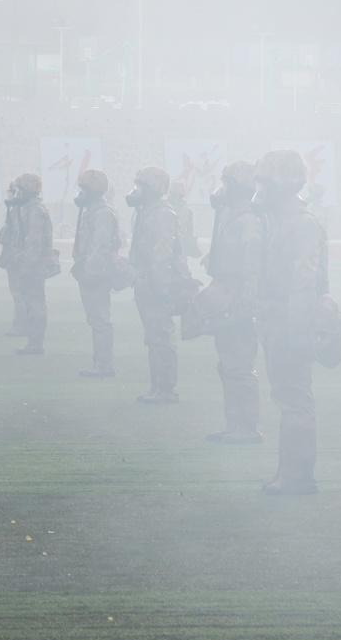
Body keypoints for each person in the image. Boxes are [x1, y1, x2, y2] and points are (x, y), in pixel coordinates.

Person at [256, 149, 329, 495]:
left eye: (264, 181)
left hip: (289, 323)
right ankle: (290, 472)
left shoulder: (302, 224)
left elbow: (304, 282)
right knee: (287, 397)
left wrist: (296, 333)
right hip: (278, 321)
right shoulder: (284, 222)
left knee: (295, 399)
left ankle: (296, 476)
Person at [202, 161, 264, 444]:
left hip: (239, 301)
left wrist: (245, 307)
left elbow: (252, 267)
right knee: (228, 365)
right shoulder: (232, 216)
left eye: (227, 183)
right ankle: (235, 425)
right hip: (227, 297)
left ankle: (246, 428)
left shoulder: (248, 220)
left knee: (239, 367)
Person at [129, 165, 195, 403]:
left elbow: (161, 255)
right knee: (154, 338)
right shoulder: (148, 211)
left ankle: (165, 389)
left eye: (141, 185)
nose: (136, 190)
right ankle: (158, 386)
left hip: (157, 285)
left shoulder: (162, 214)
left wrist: (160, 288)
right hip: (147, 283)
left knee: (161, 338)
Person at [71, 168, 125, 378]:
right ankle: (100, 363)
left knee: (100, 319)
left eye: (84, 189)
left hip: (96, 273)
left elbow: (100, 247)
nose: (80, 193)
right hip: (90, 271)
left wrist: (90, 272)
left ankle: (104, 365)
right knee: (96, 319)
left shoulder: (102, 213)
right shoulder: (92, 211)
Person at [0, 172, 56, 355]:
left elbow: (34, 243)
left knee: (35, 303)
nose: (16, 194)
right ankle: (33, 341)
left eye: (19, 190)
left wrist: (25, 266)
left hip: (32, 266)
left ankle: (36, 343)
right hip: (24, 263)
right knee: (29, 302)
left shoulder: (35, 210)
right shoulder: (23, 208)